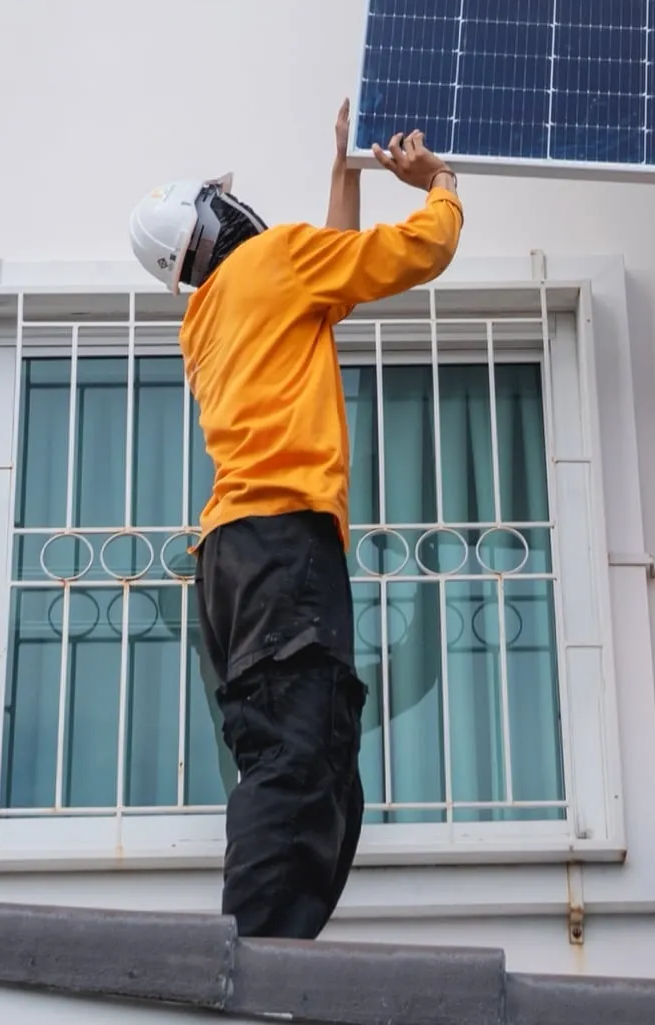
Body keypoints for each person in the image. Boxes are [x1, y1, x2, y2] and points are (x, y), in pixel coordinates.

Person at [127, 106, 463, 937]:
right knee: (299, 755)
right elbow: (419, 250)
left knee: (319, 762)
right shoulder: (276, 262)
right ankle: (256, 963)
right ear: (217, 220)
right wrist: (441, 187)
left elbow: (332, 285)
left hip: (237, 558)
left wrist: (345, 173)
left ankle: (276, 949)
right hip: (282, 541)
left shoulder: (207, 316)